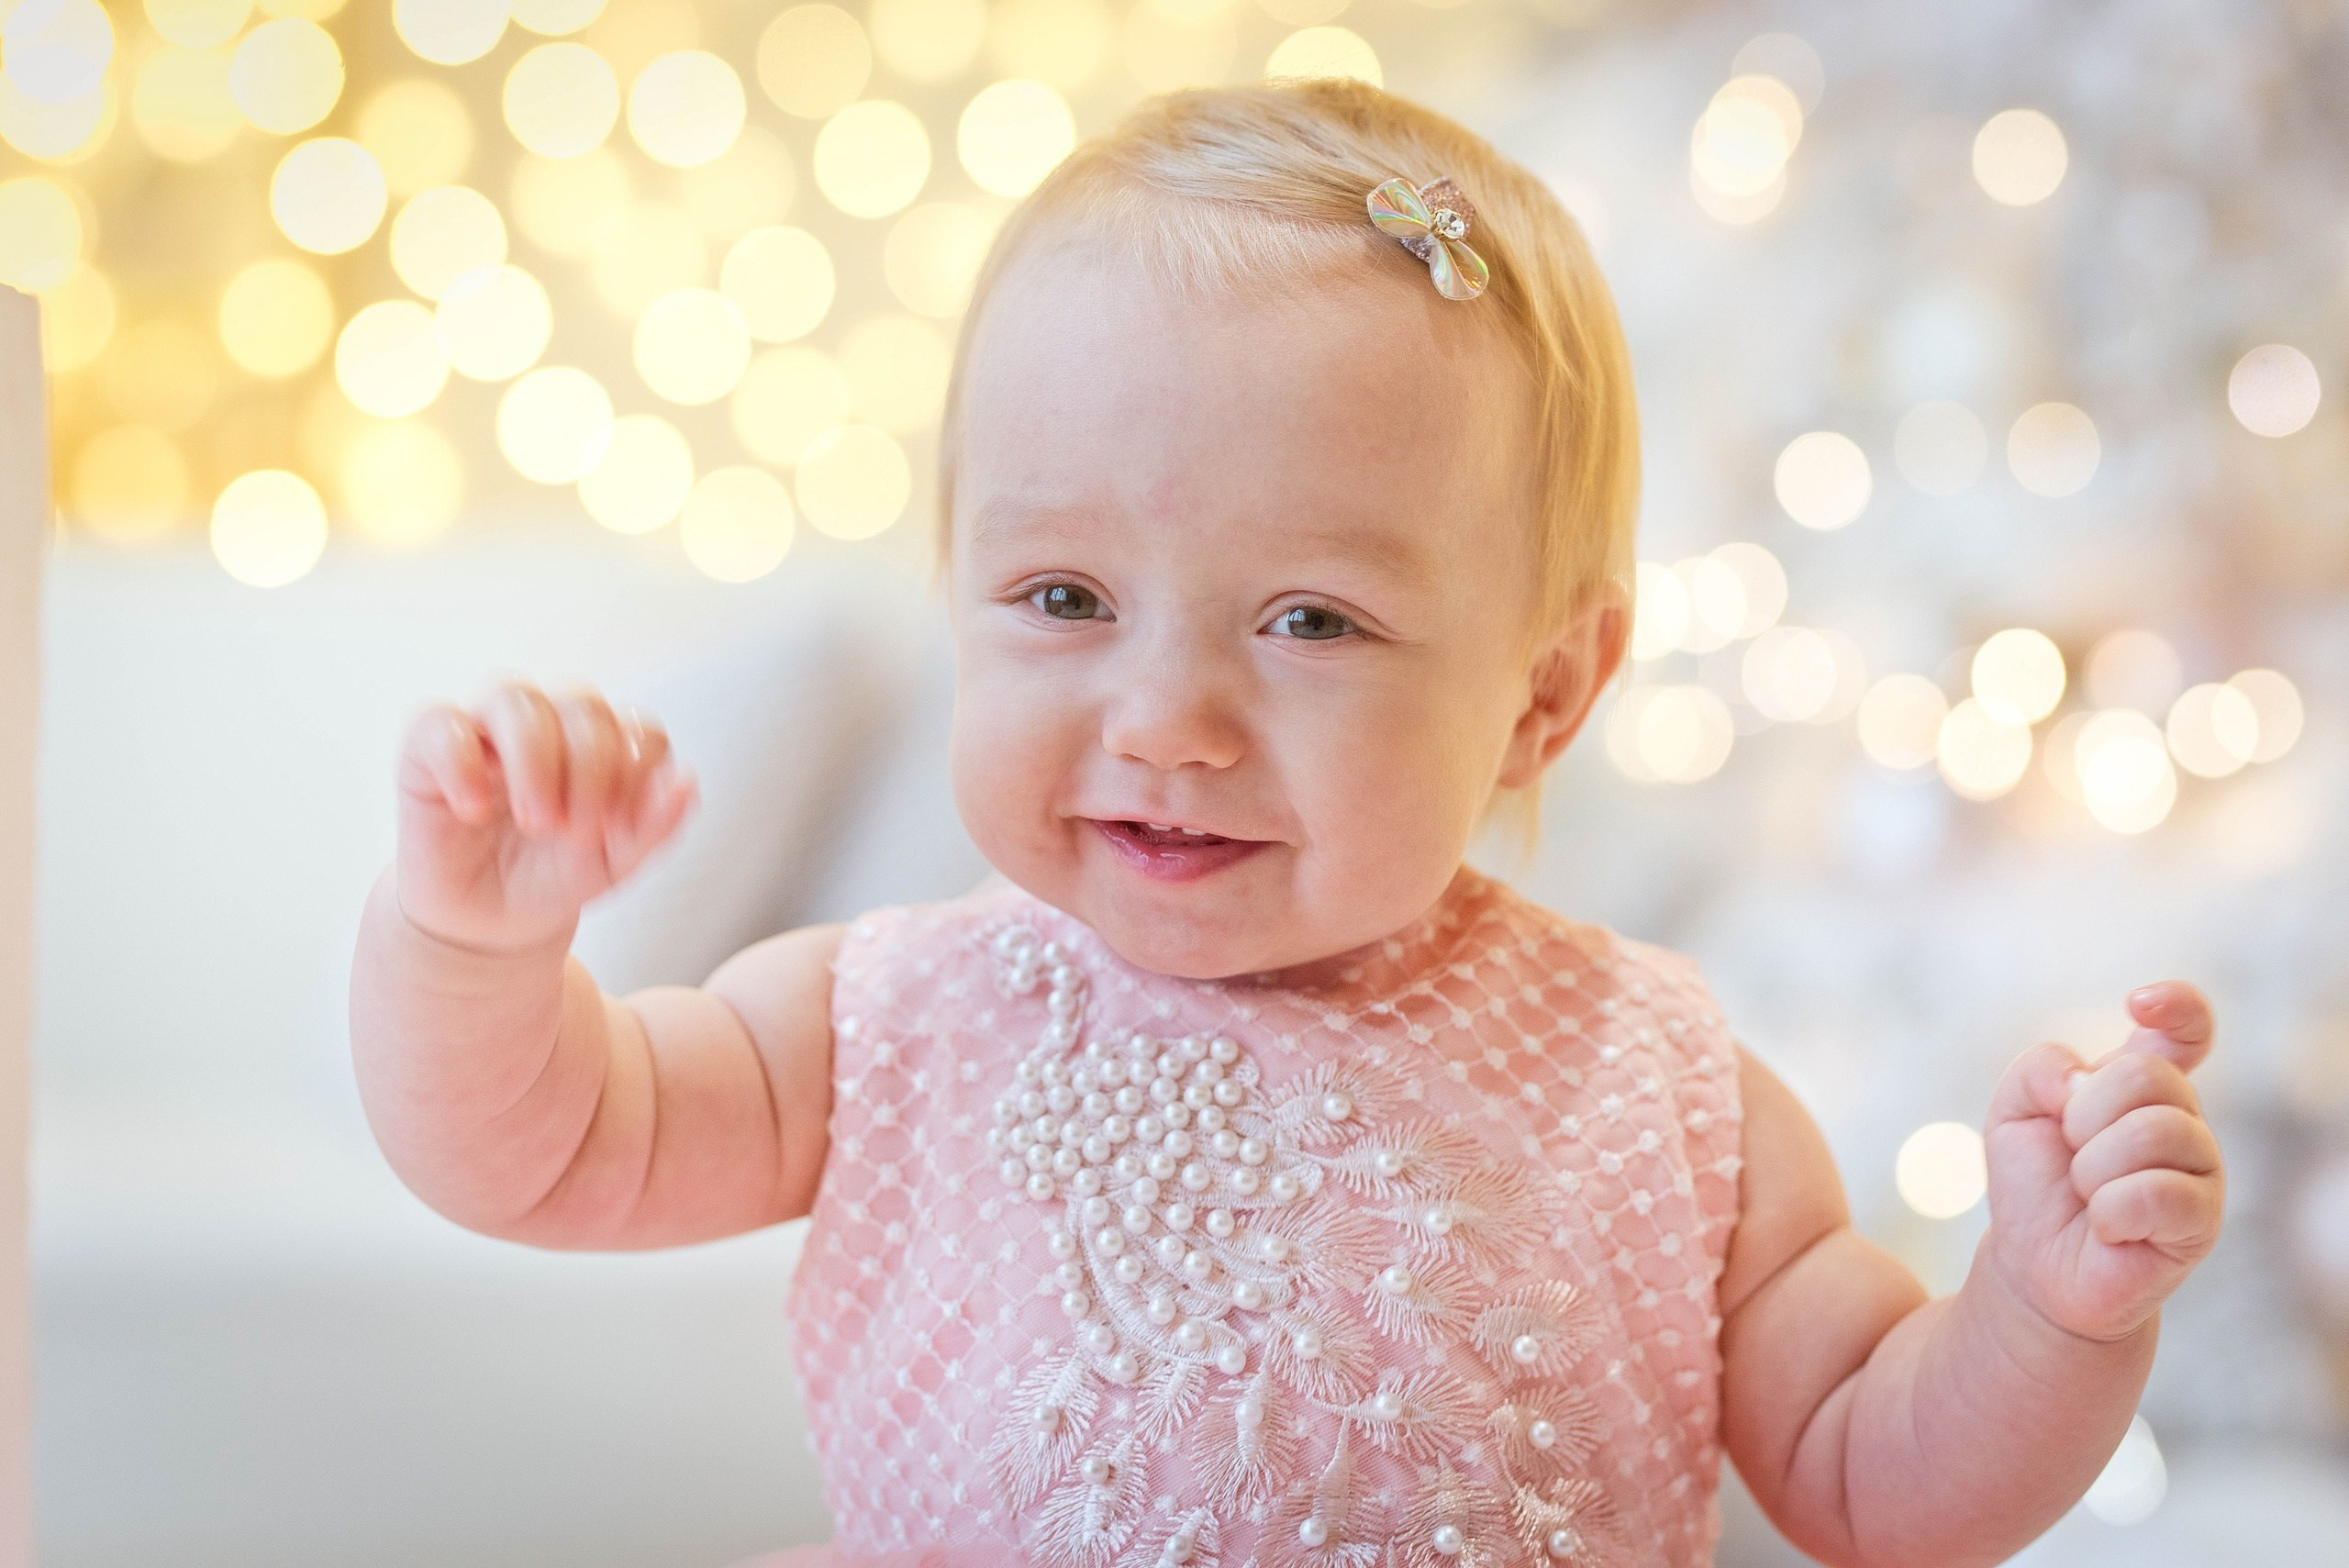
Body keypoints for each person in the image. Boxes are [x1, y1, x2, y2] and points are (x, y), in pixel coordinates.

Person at [350, 80, 2226, 1568]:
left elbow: (1875, 1486)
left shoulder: (1660, 1087)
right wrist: (475, 943)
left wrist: (2046, 1314)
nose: (1163, 722)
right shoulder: (879, 1018)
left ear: (1543, 693)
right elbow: (543, 1146)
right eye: (1063, 600)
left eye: (1309, 621)